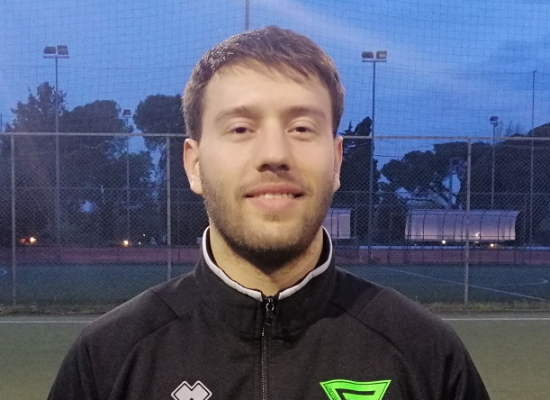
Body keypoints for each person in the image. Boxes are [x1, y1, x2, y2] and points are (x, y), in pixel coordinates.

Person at [48, 26, 490, 400]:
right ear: (194, 165)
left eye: (302, 128)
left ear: (337, 161)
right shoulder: (107, 360)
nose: (275, 154)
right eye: (241, 128)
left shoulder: (425, 355)